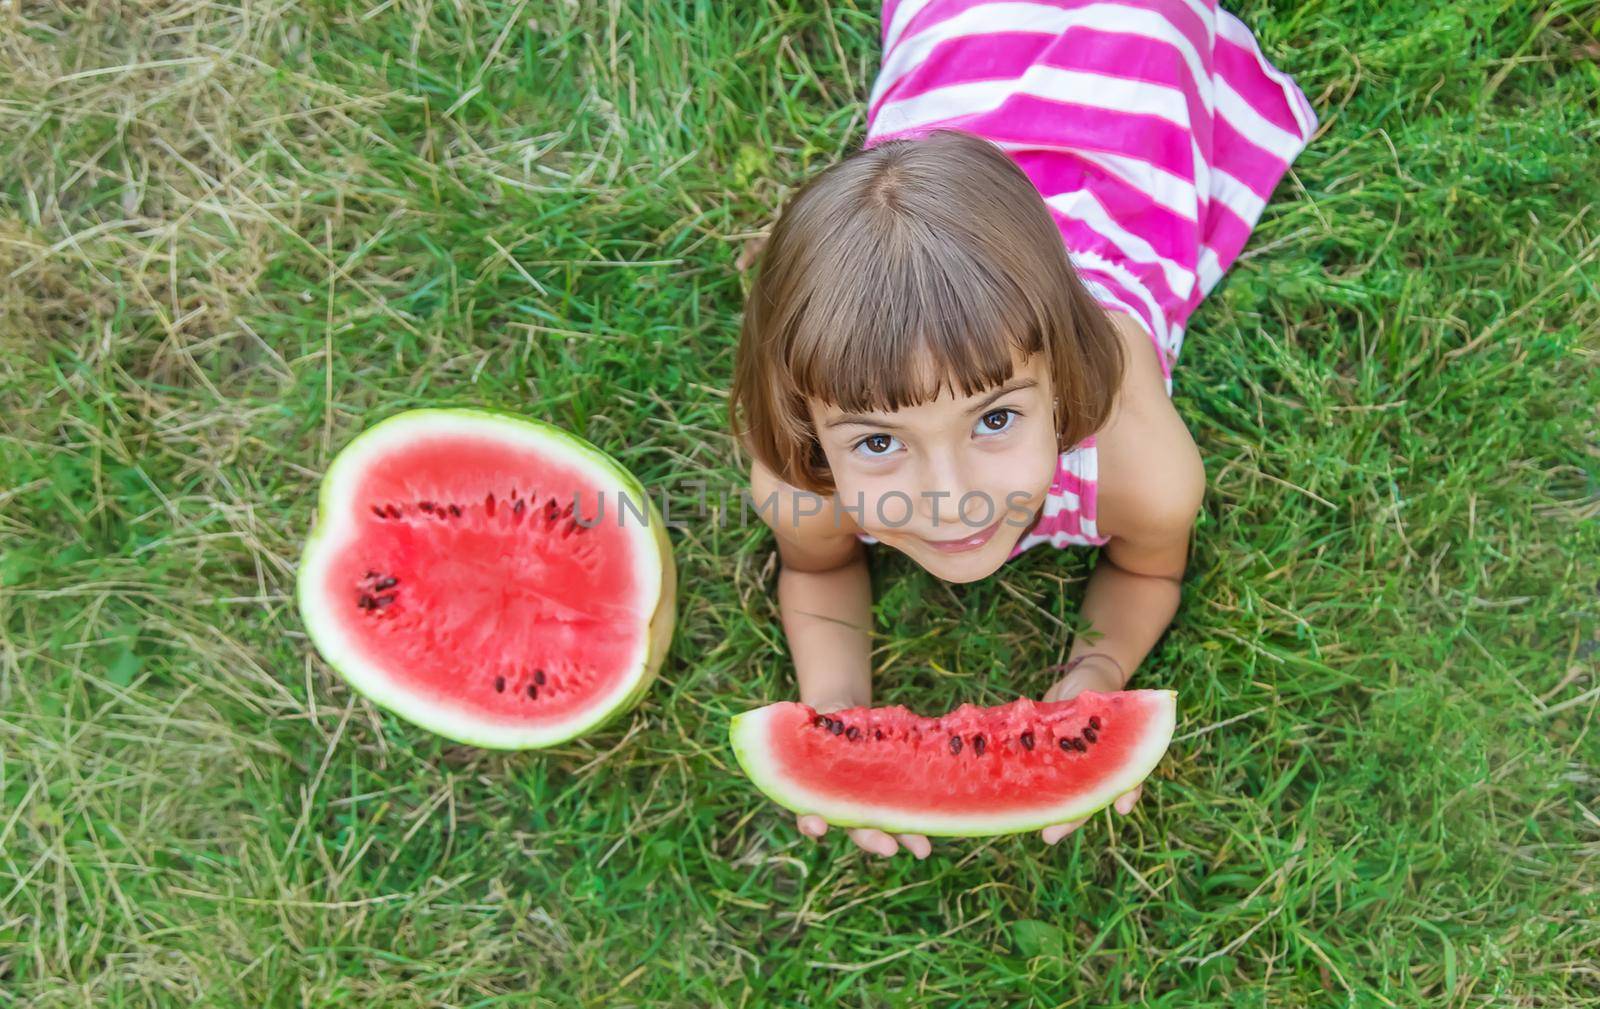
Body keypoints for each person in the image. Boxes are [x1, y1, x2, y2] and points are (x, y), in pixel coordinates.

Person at [728, 0, 1317, 859]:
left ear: (1064, 378)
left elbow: (1149, 568)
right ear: (805, 426)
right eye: (878, 442)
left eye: (996, 418)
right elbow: (815, 571)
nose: (950, 495)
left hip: (1129, 66)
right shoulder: (800, 480)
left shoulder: (1141, 466)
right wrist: (836, 715)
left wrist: (1096, 677)